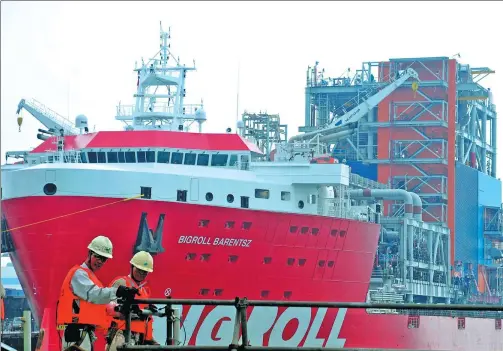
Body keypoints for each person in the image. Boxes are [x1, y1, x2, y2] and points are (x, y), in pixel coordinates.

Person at [56, 235, 139, 351]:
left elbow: (102, 306)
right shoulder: (79, 274)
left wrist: (121, 310)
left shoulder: (91, 278)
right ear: (89, 253)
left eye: (104, 259)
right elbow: (94, 294)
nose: (100, 262)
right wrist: (118, 291)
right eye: (98, 257)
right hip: (76, 333)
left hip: (84, 334)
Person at [105, 251, 159, 350]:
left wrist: (152, 341)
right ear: (132, 266)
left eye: (145, 271)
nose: (141, 274)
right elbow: (108, 308)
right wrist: (132, 313)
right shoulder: (121, 283)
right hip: (121, 336)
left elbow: (145, 323)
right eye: (139, 270)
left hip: (138, 339)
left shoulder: (143, 292)